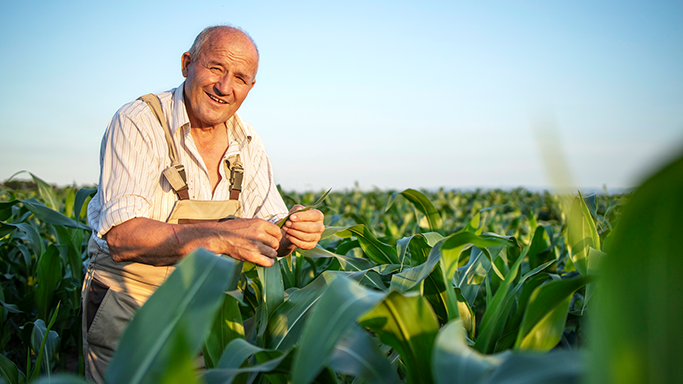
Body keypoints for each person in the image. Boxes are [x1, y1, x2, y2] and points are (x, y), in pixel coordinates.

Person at [82, 25, 324, 383]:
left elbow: (271, 224)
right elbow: (122, 236)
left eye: (240, 78)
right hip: (129, 306)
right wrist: (221, 236)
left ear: (250, 88)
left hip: (206, 310)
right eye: (216, 68)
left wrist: (294, 231)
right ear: (186, 64)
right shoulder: (139, 122)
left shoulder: (248, 143)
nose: (225, 87)